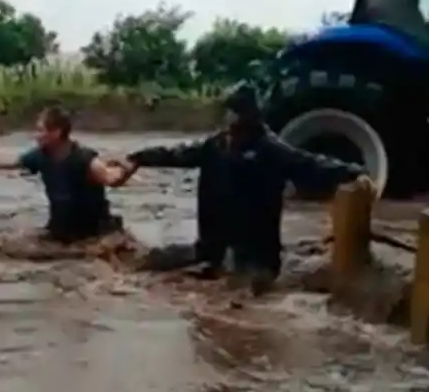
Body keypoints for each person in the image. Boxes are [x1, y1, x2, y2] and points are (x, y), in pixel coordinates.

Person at [110, 83, 372, 294]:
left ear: (247, 116)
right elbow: (177, 154)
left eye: (232, 113)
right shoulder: (216, 145)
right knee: (151, 267)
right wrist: (138, 158)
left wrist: (356, 172)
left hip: (256, 260)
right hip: (212, 250)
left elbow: (313, 164)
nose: (227, 120)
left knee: (237, 298)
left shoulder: (271, 150)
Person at [0, 105, 131, 243]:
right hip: (60, 230)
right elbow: (14, 162)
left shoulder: (85, 159)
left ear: (56, 132)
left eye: (40, 130)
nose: (36, 135)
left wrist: (129, 166)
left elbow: (112, 179)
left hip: (93, 233)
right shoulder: (41, 155)